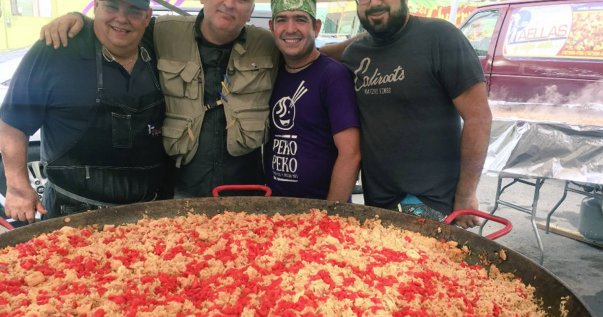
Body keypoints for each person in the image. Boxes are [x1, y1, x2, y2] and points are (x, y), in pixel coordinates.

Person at [42, 0, 280, 198]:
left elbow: (302, 55)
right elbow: (119, 28)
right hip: (175, 197)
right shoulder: (161, 32)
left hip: (244, 197)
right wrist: (80, 20)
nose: (229, 4)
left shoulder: (269, 45)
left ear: (251, 8)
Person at [0, 0, 169, 223]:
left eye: (134, 11)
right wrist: (18, 187)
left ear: (147, 17)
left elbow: (212, 24)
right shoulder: (56, 49)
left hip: (147, 216)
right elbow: (13, 125)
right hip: (72, 214)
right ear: (96, 6)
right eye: (111, 7)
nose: (121, 18)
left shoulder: (159, 45)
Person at [341, 0, 493, 228]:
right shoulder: (355, 54)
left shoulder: (441, 37)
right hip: (377, 203)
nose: (374, 3)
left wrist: (465, 196)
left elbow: (478, 118)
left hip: (433, 203)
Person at [266, 0, 361, 202]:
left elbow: (350, 153)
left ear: (316, 28)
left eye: (300, 19)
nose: (290, 29)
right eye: (282, 20)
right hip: (273, 209)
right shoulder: (270, 72)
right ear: (272, 28)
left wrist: (329, 215)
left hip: (319, 210)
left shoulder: (333, 75)